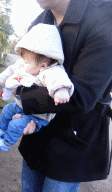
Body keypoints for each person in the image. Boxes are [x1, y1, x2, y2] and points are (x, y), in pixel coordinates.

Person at [15, 0, 112, 191]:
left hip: (71, 144)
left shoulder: (104, 16)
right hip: (36, 137)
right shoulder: (40, 21)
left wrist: (21, 93)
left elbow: (82, 96)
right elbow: (26, 70)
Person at [0, 23, 74, 152]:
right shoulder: (25, 65)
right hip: (20, 106)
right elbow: (11, 70)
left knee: (16, 124)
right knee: (7, 109)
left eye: (26, 62)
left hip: (38, 116)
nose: (22, 64)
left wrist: (61, 91)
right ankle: (2, 130)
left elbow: (59, 79)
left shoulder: (50, 71)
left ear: (43, 66)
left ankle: (6, 143)